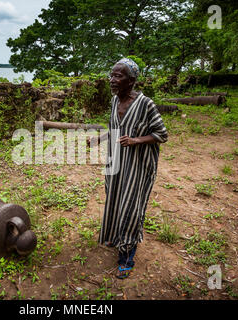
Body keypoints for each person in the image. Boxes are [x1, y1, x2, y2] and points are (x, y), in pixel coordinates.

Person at [98, 58, 168, 279]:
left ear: (132, 80)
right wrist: (99, 137)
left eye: (118, 76)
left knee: (130, 205)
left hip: (137, 165)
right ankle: (115, 235)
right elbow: (115, 128)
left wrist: (136, 141)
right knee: (114, 198)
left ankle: (127, 255)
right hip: (116, 161)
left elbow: (162, 135)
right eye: (112, 75)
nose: (112, 80)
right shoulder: (114, 101)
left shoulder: (145, 104)